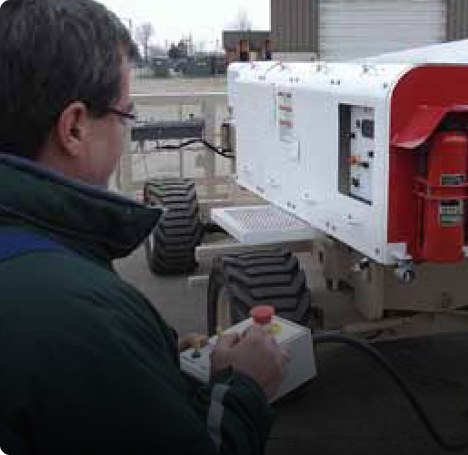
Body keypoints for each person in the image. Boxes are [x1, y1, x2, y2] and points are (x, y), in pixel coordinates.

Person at [0, 0, 289, 454]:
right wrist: (246, 386)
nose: (126, 133)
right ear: (74, 128)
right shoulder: (83, 318)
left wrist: (157, 359)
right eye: (125, 116)